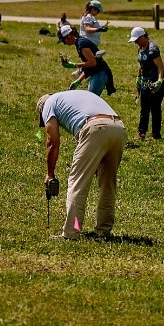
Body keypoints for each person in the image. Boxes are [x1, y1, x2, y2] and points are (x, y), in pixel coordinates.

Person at [37, 91, 126, 240]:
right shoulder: (73, 96)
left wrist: (50, 174)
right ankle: (103, 231)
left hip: (95, 128)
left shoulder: (48, 104)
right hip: (118, 129)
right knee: (107, 184)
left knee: (77, 184)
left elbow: (52, 142)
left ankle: (72, 231)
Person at [129, 26, 164, 140]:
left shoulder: (152, 49)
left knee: (155, 107)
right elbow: (141, 64)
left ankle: (156, 134)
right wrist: (138, 77)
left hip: (156, 82)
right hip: (145, 82)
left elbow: (160, 67)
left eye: (137, 40)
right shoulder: (140, 48)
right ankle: (141, 132)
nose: (135, 42)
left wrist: (159, 81)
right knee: (144, 107)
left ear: (143, 37)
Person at [57, 24, 115, 96]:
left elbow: (93, 63)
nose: (64, 43)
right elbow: (88, 65)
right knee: (90, 99)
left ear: (68, 36)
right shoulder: (79, 43)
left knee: (91, 101)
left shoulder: (82, 44)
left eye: (63, 41)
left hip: (100, 74)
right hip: (97, 73)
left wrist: (75, 65)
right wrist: (78, 81)